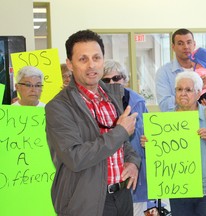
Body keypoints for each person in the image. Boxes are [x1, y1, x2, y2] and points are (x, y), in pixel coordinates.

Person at [45, 30, 141, 216]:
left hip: (122, 197)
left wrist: (133, 162)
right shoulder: (59, 107)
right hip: (86, 202)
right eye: (83, 59)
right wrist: (120, 131)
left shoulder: (112, 97)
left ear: (103, 60)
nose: (91, 65)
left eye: (96, 57)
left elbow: (124, 145)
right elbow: (75, 157)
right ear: (70, 64)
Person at [142, 71, 206, 216]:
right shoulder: (164, 121)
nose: (183, 93)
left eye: (188, 90)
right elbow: (160, 155)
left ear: (199, 93)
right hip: (178, 189)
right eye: (179, 89)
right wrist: (149, 145)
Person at [102, 59, 150, 216]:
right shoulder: (99, 106)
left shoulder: (139, 102)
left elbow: (150, 132)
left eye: (116, 78)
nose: (113, 83)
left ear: (124, 79)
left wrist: (148, 141)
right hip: (110, 176)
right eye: (106, 80)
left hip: (138, 172)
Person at [155, 28, 206, 112]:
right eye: (180, 43)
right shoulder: (164, 72)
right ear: (173, 47)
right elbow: (164, 105)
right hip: (180, 122)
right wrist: (191, 90)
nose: (186, 47)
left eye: (189, 42)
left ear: (194, 44)